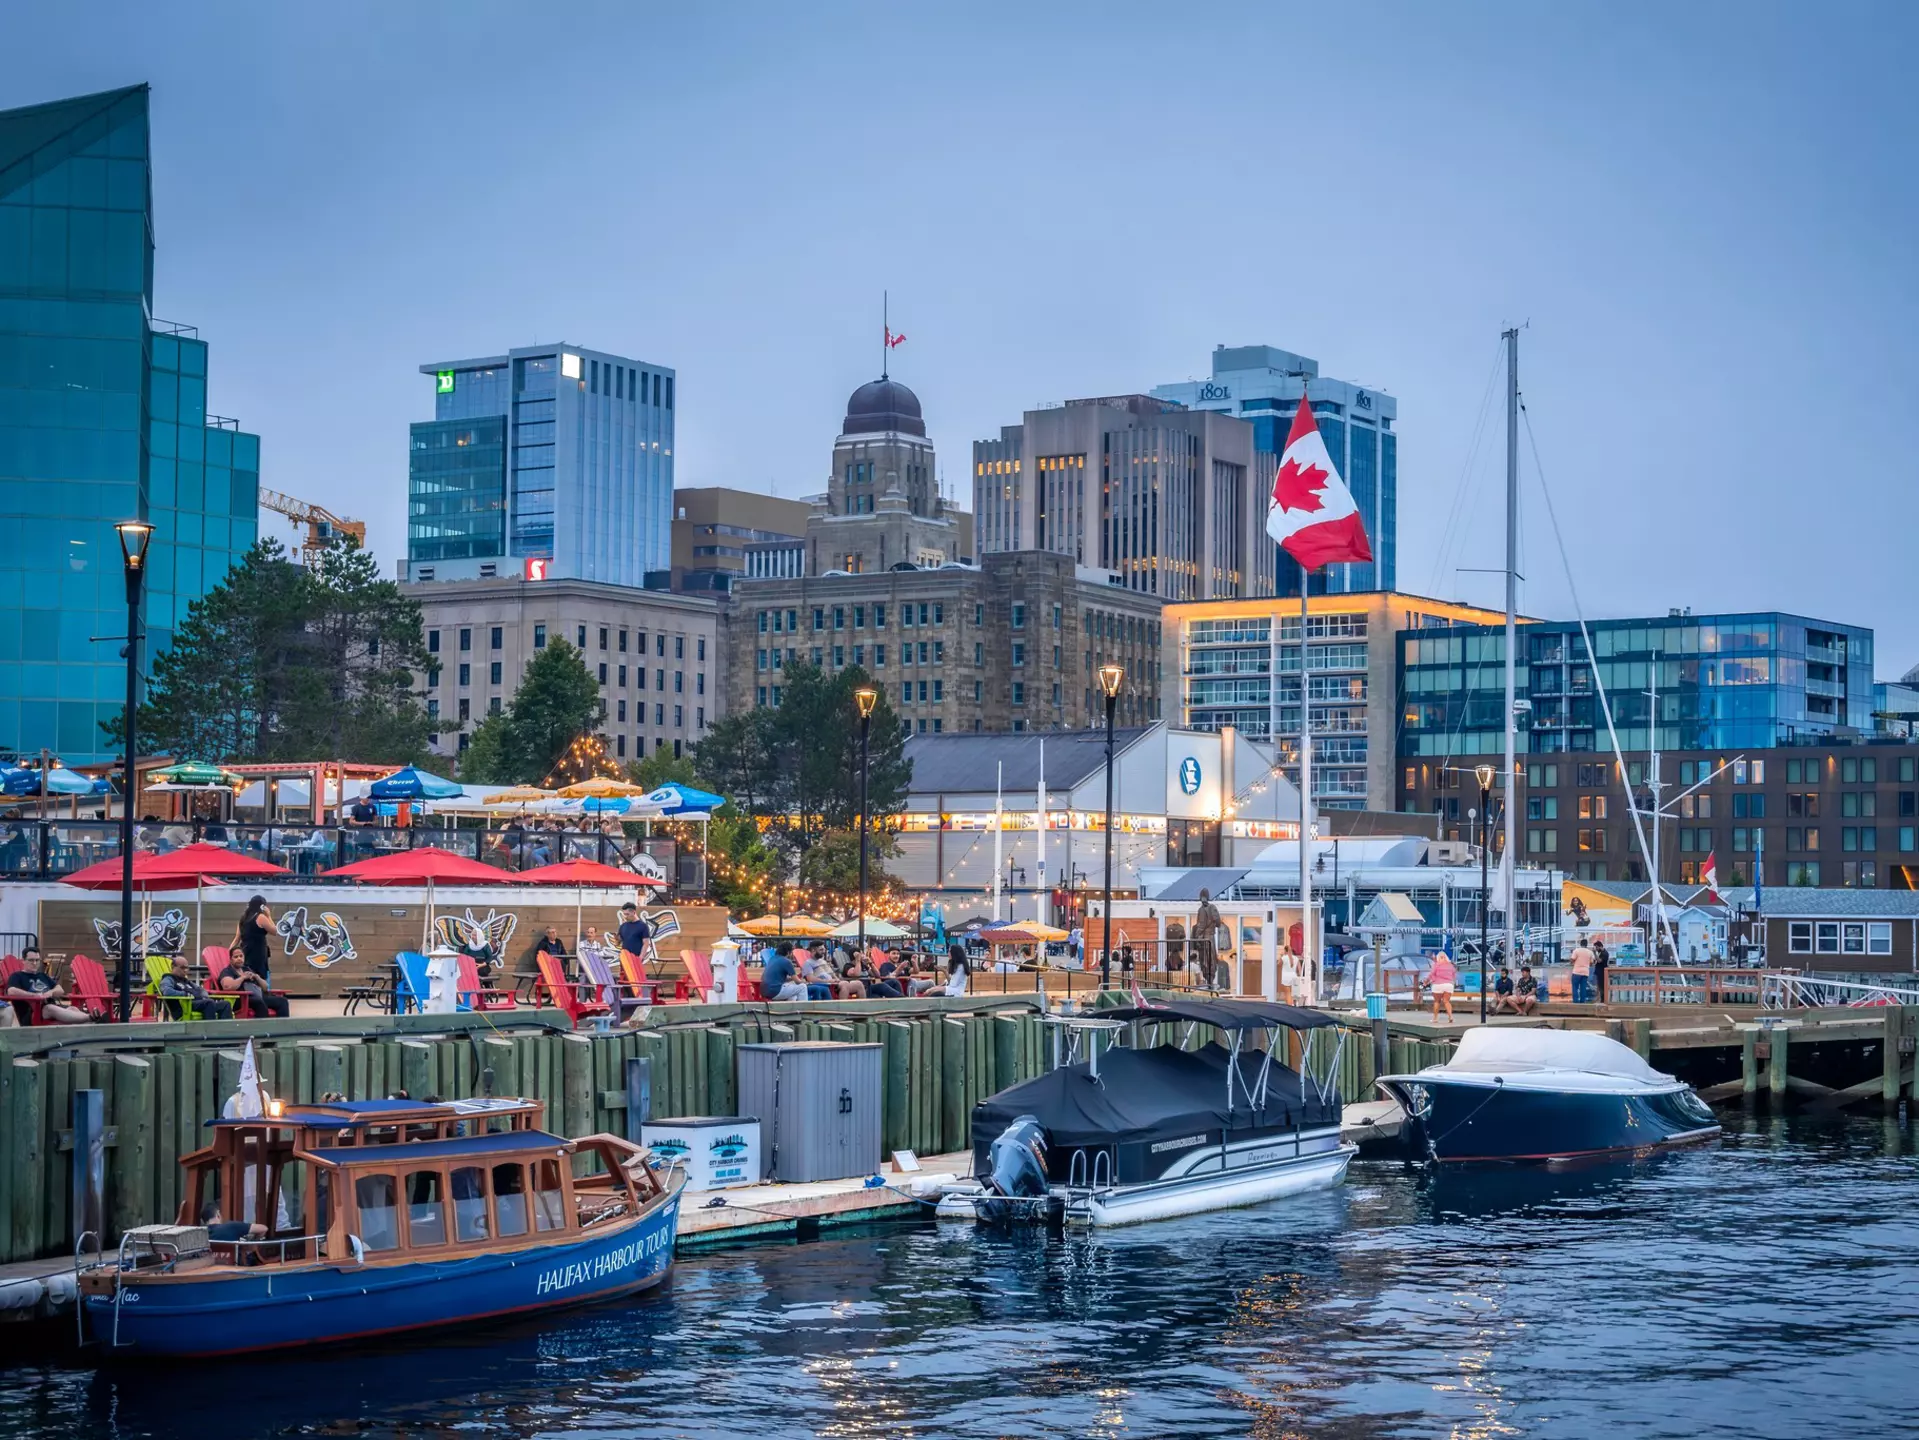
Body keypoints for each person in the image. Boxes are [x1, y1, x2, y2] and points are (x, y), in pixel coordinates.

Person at [6, 949, 88, 1024]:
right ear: (23, 961)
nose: (34, 963)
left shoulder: (42, 976)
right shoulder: (17, 976)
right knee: (50, 1008)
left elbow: (60, 990)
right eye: (31, 960)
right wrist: (34, 995)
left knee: (73, 1009)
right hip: (34, 1013)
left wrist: (50, 992)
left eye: (37, 960)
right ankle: (91, 1018)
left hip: (53, 1008)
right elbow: (11, 991)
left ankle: (92, 1021)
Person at [221, 930, 289, 1019]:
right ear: (230, 960)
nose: (239, 959)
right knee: (259, 1002)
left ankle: (282, 1028)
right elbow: (227, 986)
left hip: (257, 996)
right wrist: (242, 978)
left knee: (282, 1001)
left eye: (241, 956)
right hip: (241, 1000)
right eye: (236, 957)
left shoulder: (247, 969)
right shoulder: (227, 971)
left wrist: (257, 977)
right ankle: (263, 1029)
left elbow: (265, 987)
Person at [159, 955, 233, 1020]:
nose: (185, 970)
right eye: (182, 968)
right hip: (184, 1007)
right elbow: (167, 991)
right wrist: (185, 994)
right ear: (173, 967)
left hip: (198, 1004)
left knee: (225, 1004)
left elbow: (200, 989)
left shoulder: (186, 981)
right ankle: (210, 1033)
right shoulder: (168, 979)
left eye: (187, 968)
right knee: (208, 1003)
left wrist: (205, 995)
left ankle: (226, 1032)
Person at [1191, 889, 1223, 991]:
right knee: (1210, 960)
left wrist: (1197, 937)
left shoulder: (1202, 910)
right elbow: (1218, 923)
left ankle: (1209, 981)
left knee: (1206, 960)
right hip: (1210, 937)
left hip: (1204, 938)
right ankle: (1210, 981)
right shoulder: (1212, 907)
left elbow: (1201, 925)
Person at [1427, 948, 1458, 1023]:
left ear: (1438, 958)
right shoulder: (1450, 965)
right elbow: (1454, 976)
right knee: (1446, 1001)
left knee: (1437, 1001)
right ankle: (1450, 1016)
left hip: (1437, 985)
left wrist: (1426, 981)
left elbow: (1431, 974)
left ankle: (1435, 1018)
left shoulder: (1436, 965)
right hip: (1448, 985)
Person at [1568, 939, 1595, 1004]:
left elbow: (1572, 960)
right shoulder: (1590, 952)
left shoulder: (1576, 950)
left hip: (1576, 972)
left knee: (1575, 987)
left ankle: (1575, 1002)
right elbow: (1591, 963)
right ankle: (1582, 1002)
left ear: (1580, 944)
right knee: (1583, 988)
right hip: (1585, 972)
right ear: (1586, 944)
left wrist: (1573, 962)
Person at [1591, 938, 1611, 1003]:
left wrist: (1594, 953)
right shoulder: (1600, 952)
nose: (1596, 949)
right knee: (1599, 986)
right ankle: (1599, 999)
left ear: (1600, 946)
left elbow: (1599, 960)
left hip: (1602, 972)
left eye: (1596, 947)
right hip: (1599, 972)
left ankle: (1603, 1000)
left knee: (1602, 986)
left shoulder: (1605, 953)